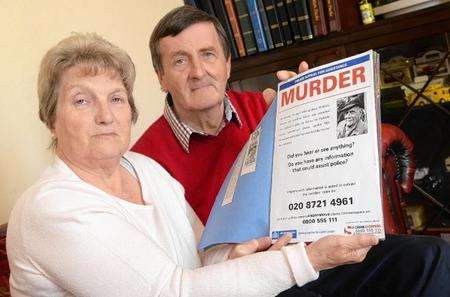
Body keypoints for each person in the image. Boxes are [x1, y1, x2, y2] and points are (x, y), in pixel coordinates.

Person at [6, 33, 383, 297]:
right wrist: (304, 260)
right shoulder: (50, 207)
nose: (106, 115)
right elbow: (171, 292)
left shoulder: (145, 169)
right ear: (51, 119)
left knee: (424, 260)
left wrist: (237, 255)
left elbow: (204, 252)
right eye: (82, 101)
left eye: (117, 98)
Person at [132, 5, 450, 297]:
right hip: (247, 280)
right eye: (180, 61)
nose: (198, 71)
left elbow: (327, 167)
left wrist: (311, 109)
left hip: (315, 254)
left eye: (208, 55)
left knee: (431, 256)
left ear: (227, 64)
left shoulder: (268, 107)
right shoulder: (144, 163)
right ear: (161, 77)